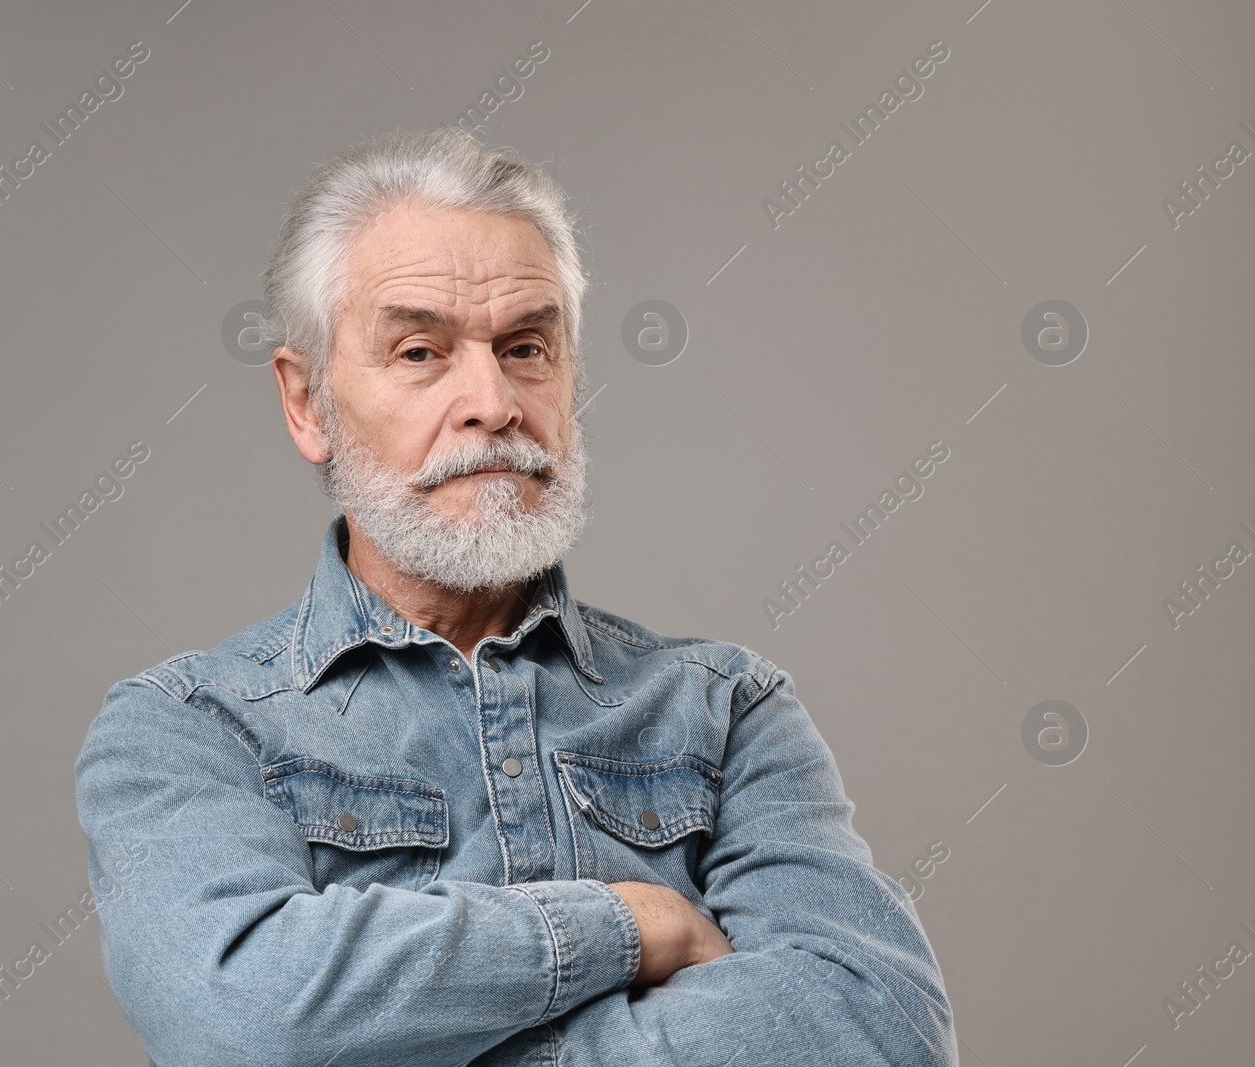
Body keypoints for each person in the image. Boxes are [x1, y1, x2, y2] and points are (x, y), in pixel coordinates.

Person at [75, 126, 957, 1066]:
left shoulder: (728, 710)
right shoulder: (189, 728)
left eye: (527, 346)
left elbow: (881, 1029)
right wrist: (627, 925)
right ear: (308, 402)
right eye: (420, 352)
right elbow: (241, 1018)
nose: (492, 401)